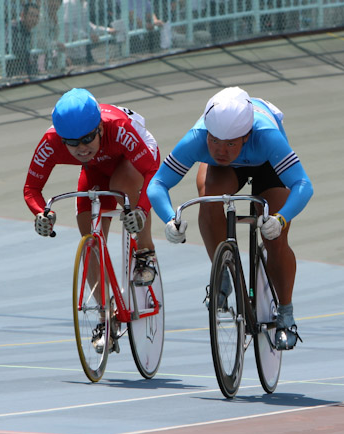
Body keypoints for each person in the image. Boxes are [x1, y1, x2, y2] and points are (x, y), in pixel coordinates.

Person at [147, 86, 313, 350]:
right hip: (226, 172)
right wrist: (170, 219)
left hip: (268, 165)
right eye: (214, 141)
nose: (220, 150)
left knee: (275, 237)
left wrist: (280, 219)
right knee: (209, 197)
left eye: (230, 144)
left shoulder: (267, 137)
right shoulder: (198, 138)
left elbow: (304, 185)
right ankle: (221, 271)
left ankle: (285, 313)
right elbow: (157, 184)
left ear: (246, 136)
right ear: (207, 133)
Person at [24, 88, 160, 292]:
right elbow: (31, 188)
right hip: (96, 167)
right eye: (72, 142)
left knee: (120, 186)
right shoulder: (51, 142)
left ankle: (145, 252)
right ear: (62, 138)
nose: (81, 148)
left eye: (87, 139)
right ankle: (105, 316)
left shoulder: (118, 128)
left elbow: (151, 172)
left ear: (100, 129)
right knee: (90, 243)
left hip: (131, 158)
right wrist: (42, 213)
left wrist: (140, 209)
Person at [7, 2, 41, 78]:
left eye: (37, 16)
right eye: (31, 15)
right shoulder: (14, 28)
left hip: (26, 71)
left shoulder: (30, 31)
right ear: (23, 15)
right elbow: (16, 50)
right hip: (11, 71)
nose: (34, 19)